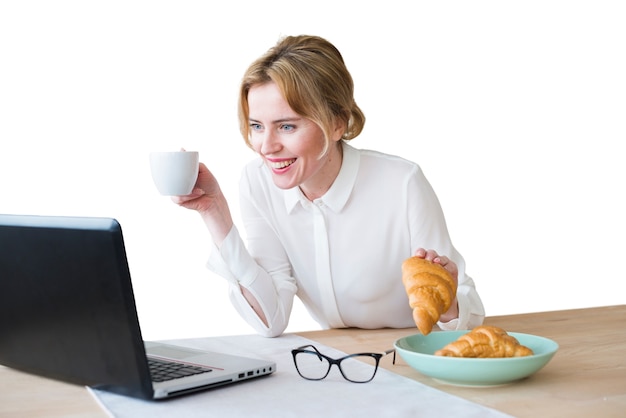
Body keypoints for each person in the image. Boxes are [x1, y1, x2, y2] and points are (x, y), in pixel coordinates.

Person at [173, 35, 485, 337]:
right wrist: (214, 211)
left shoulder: (402, 183)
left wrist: (447, 300)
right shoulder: (257, 183)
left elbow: (469, 320)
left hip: (413, 356)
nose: (266, 146)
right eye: (257, 126)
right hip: (338, 362)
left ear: (338, 123)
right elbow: (271, 320)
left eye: (287, 126)